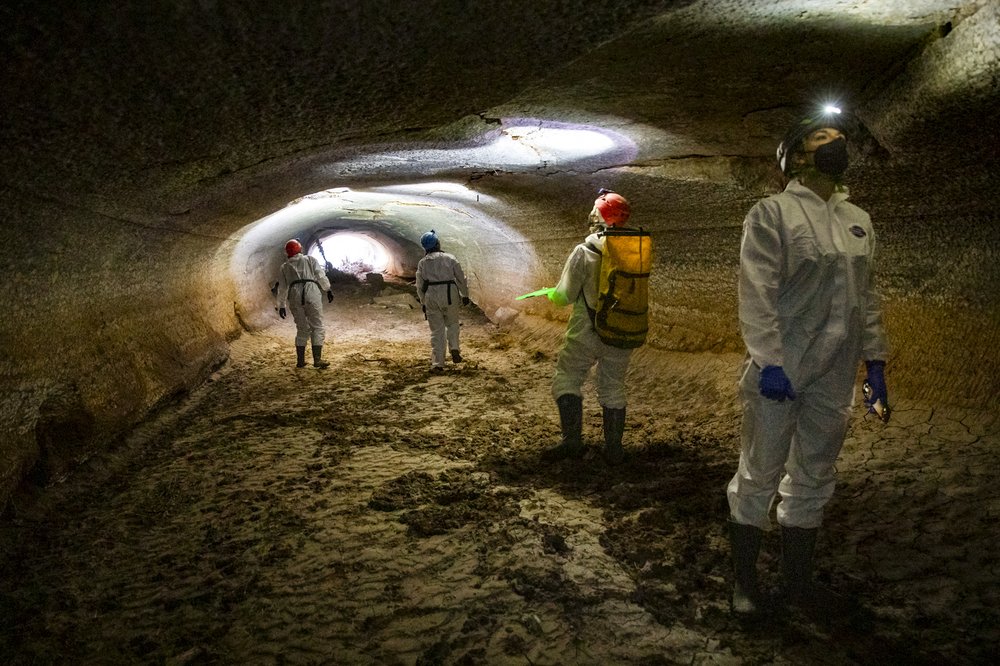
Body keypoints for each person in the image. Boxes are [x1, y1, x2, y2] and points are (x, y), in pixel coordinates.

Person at [725, 106, 891, 617]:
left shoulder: (857, 221)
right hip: (783, 368)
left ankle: (797, 583)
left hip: (834, 374)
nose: (836, 142)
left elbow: (867, 299)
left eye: (839, 136)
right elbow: (757, 294)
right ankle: (744, 585)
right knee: (759, 473)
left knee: (815, 474)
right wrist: (769, 361)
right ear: (797, 155)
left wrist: (876, 363)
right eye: (823, 136)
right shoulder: (772, 214)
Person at [545, 189, 636, 464]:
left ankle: (572, 442)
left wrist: (552, 293)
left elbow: (564, 296)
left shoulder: (584, 252)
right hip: (622, 329)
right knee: (612, 386)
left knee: (567, 378)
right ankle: (614, 450)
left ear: (598, 216)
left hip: (586, 329)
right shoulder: (636, 251)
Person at [415, 230, 470, 373]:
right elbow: (461, 278)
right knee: (452, 323)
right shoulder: (450, 258)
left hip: (431, 296)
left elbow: (420, 285)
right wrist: (465, 295)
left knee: (437, 331)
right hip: (449, 293)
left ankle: (438, 364)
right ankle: (454, 348)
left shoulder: (423, 263)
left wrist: (423, 302)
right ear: (438, 243)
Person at [276, 239, 335, 369]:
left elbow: (282, 288)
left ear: (287, 253)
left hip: (295, 294)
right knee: (317, 326)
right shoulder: (310, 260)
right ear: (300, 249)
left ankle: (300, 361)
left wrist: (281, 305)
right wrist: (328, 289)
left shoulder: (284, 267)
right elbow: (320, 275)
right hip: (311, 291)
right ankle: (317, 359)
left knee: (302, 328)